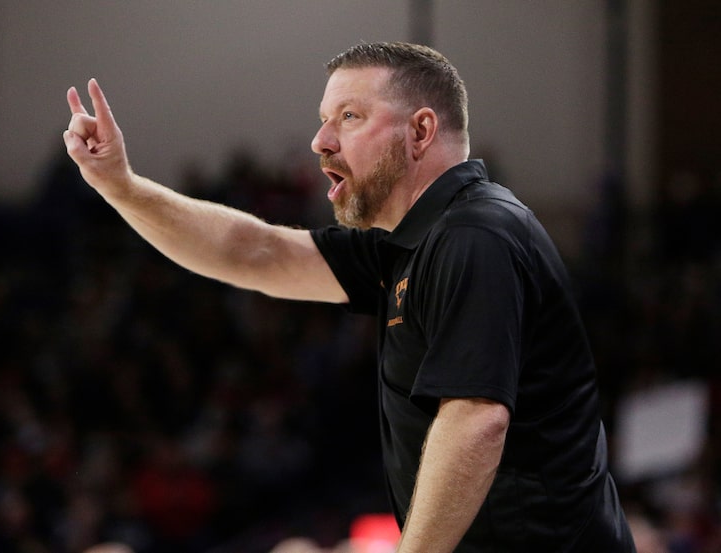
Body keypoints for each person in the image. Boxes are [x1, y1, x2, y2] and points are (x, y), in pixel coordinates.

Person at [63, 42, 636, 552]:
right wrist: (122, 188)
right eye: (323, 119)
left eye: (349, 117)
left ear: (420, 131)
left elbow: (476, 419)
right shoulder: (411, 244)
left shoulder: (474, 235)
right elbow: (257, 252)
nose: (320, 141)